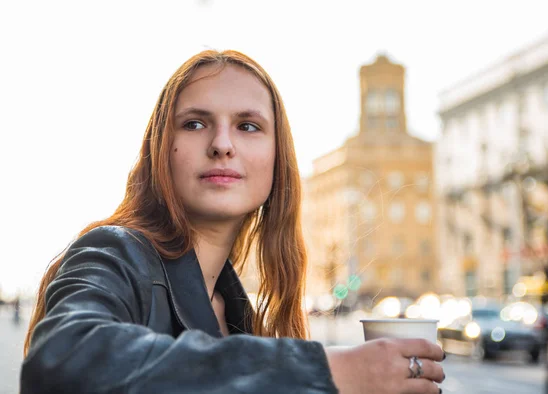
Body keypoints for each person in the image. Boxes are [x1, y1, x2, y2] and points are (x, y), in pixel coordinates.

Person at [21, 50, 445, 394]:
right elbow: (62, 362)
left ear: (278, 161)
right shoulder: (115, 254)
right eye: (194, 123)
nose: (222, 144)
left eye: (247, 125)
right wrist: (326, 371)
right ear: (160, 149)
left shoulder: (241, 314)